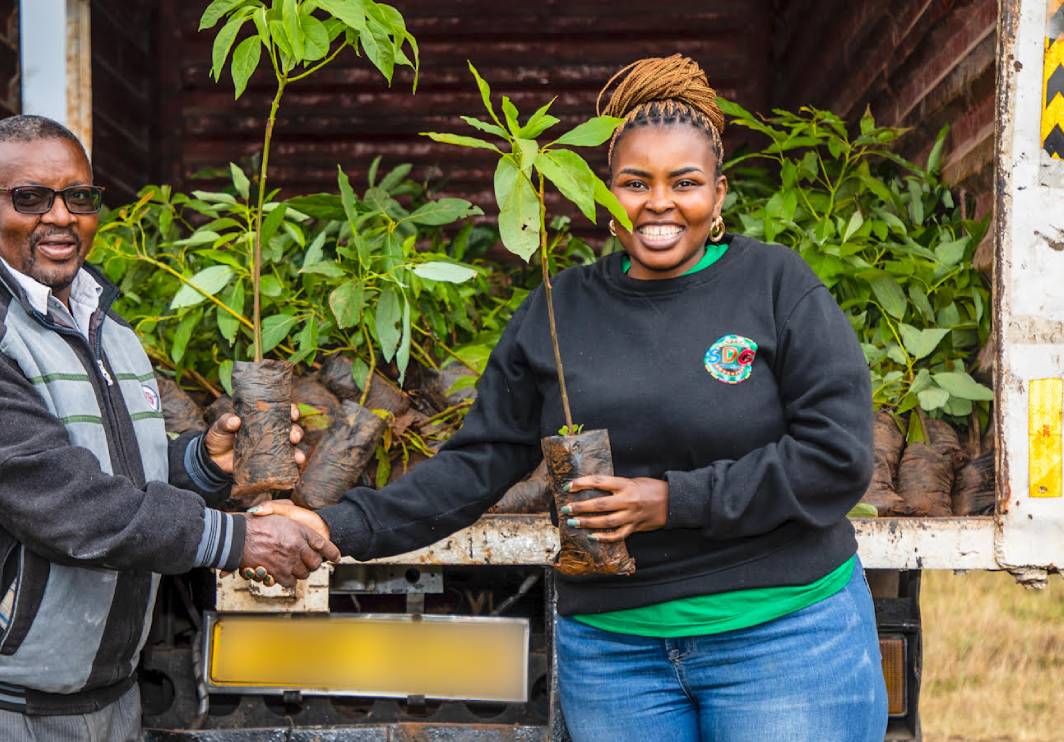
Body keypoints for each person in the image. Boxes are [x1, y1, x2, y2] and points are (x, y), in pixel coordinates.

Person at [263, 55, 889, 740]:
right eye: (634, 182)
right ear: (601, 189)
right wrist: (339, 525)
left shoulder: (774, 285)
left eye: (684, 183)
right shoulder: (558, 311)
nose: (658, 203)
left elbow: (836, 458)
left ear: (719, 193)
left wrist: (671, 501)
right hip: (614, 658)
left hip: (783, 640)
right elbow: (477, 465)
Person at [0, 114, 338, 741]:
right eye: (30, 198)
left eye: (78, 197)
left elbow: (109, 477)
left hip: (98, 695)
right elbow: (62, 502)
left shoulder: (105, 327)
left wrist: (201, 466)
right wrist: (238, 539)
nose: (61, 216)